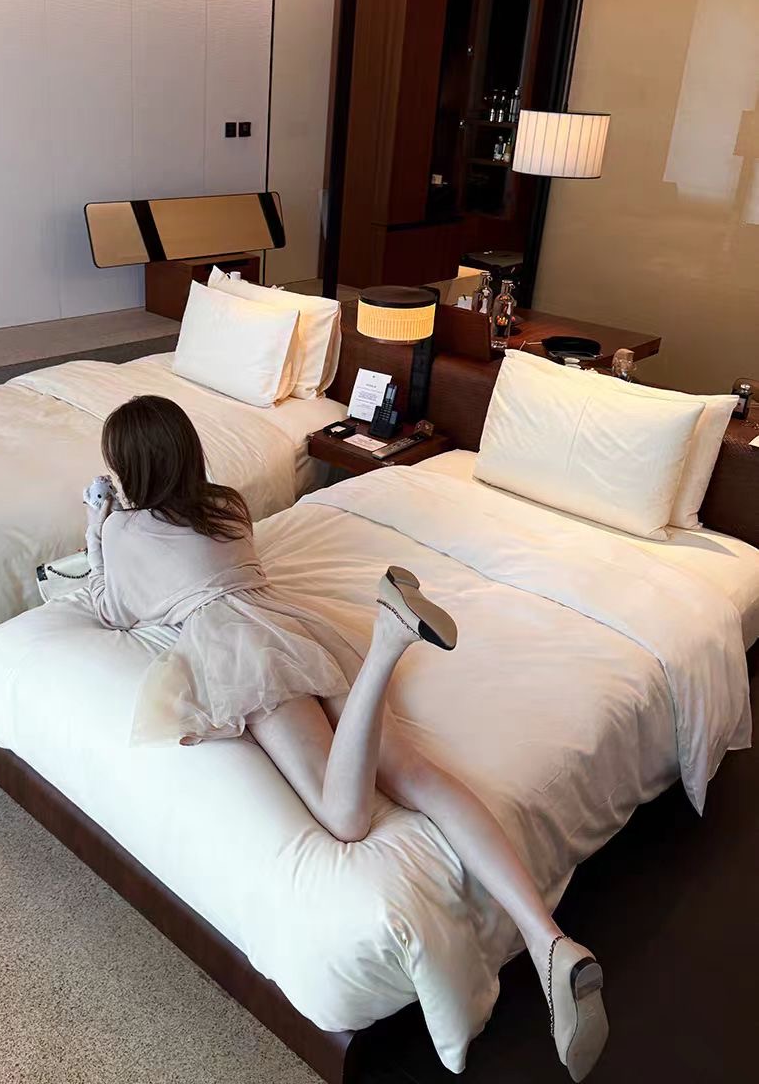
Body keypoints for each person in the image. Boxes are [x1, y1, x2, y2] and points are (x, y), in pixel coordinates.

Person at [84, 394, 608, 1082]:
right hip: (299, 628)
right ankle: (548, 939)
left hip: (243, 649)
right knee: (414, 774)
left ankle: (390, 641)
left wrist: (98, 524)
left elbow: (110, 609)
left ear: (131, 469)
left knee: (344, 815)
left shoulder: (128, 533)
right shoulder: (227, 508)